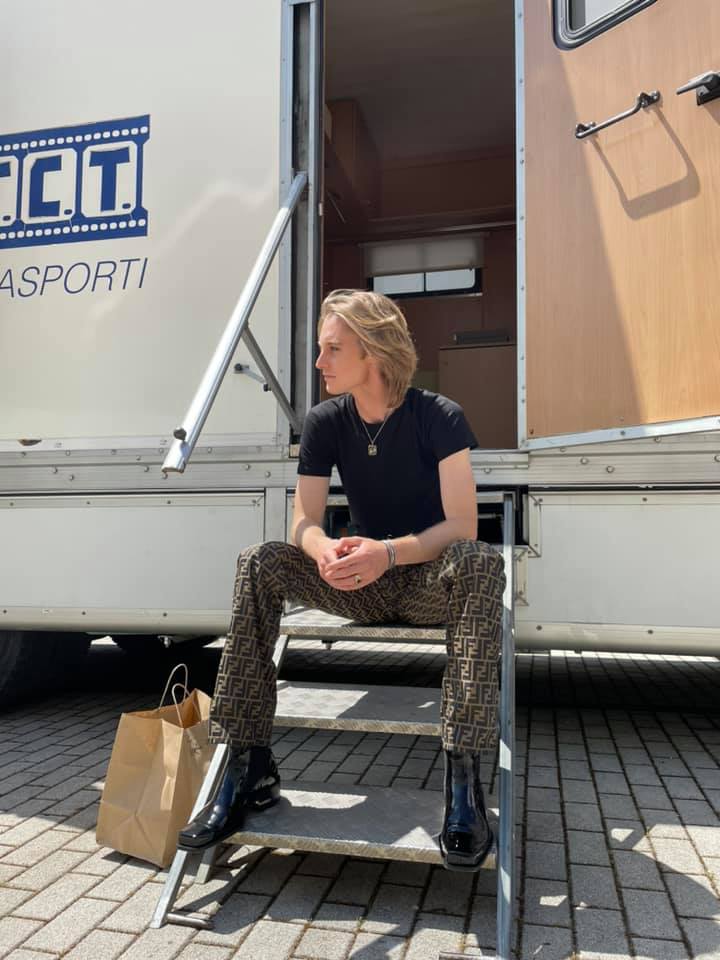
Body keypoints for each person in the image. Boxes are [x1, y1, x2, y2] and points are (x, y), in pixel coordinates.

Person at [179, 288, 506, 871]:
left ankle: (464, 783)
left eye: (332, 348)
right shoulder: (325, 420)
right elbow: (303, 520)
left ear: (372, 352)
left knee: (480, 561)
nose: (318, 361)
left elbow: (462, 525)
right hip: (360, 583)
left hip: (426, 583)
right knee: (260, 560)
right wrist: (324, 548)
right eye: (321, 348)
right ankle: (245, 767)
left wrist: (388, 552)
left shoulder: (439, 416)